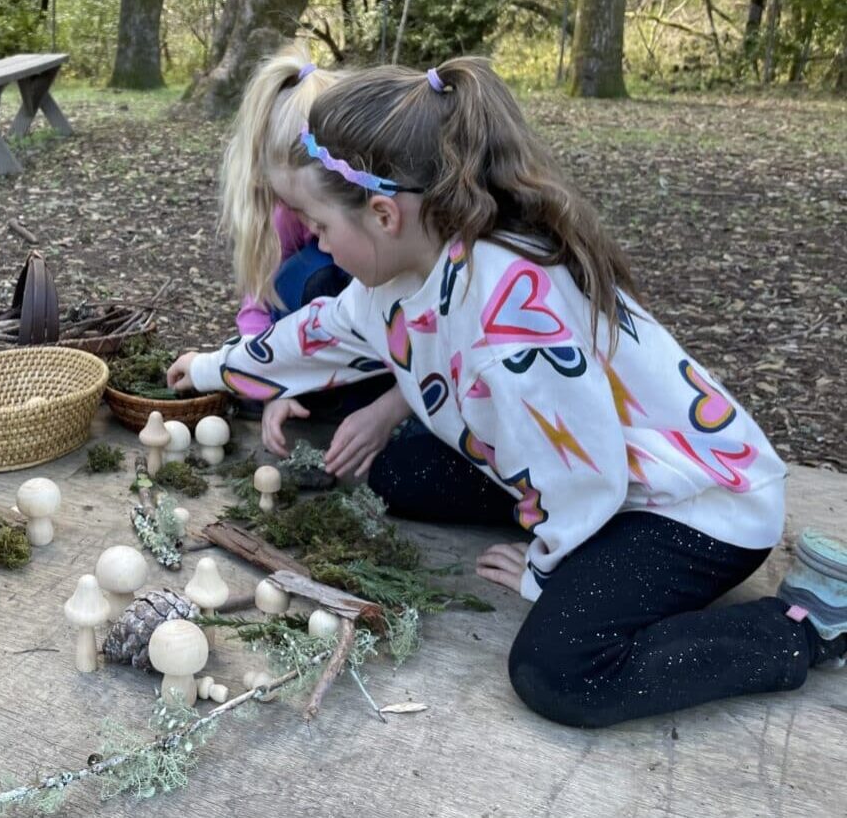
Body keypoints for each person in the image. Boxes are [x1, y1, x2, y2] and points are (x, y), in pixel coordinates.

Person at [168, 57, 846, 727]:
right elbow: (312, 337)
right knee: (402, 472)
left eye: (317, 227)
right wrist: (207, 369)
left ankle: (803, 625)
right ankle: (572, 538)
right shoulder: (401, 276)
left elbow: (583, 472)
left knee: (557, 670)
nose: (314, 243)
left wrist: (548, 562)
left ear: (382, 214)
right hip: (601, 469)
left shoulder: (508, 327)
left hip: (698, 506)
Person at [220, 46, 500, 497]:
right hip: (372, 360)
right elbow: (282, 315)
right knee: (309, 280)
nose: (315, 233)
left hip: (429, 386)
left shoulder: (456, 276)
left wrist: (389, 409)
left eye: (320, 222)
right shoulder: (314, 226)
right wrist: (277, 383)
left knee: (402, 476)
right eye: (301, 214)